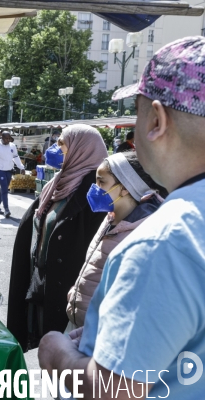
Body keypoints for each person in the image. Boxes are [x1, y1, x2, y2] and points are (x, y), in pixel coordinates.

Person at [38, 36, 205, 399]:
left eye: (136, 111)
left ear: (156, 120)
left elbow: (114, 387)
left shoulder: (166, 239)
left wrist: (56, 351)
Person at [7, 124, 108, 351]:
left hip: (68, 293)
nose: (55, 148)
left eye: (61, 143)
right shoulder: (58, 183)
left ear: (80, 149)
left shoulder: (97, 190)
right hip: (40, 284)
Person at [65, 151, 167, 330]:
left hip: (102, 334)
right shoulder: (111, 218)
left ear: (126, 187)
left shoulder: (142, 233)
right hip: (80, 324)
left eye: (101, 182)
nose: (95, 187)